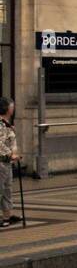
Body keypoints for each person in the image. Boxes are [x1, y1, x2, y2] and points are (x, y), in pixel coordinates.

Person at [0, 97, 20, 227]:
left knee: (7, 189)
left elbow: (10, 140)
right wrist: (10, 154)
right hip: (1, 161)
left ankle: (7, 215)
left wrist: (14, 153)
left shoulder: (6, 123)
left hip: (7, 163)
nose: (13, 108)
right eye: (11, 106)